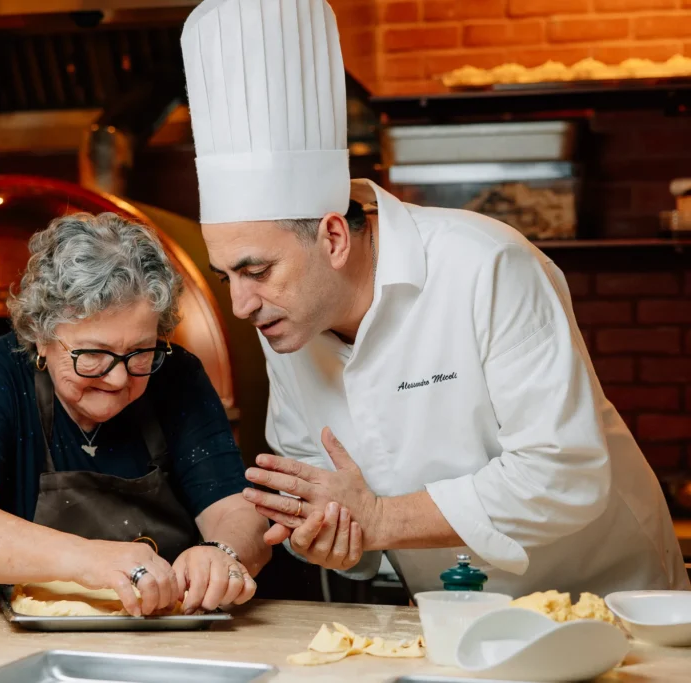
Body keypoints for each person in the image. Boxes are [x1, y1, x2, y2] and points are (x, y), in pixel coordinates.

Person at [180, 0, 689, 597]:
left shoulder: (486, 264)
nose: (241, 304)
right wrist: (328, 536)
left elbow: (563, 472)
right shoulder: (287, 319)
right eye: (226, 278)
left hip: (605, 600)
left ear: (334, 237)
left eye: (256, 270)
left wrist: (380, 520)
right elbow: (318, 487)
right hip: (450, 613)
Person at [0, 212, 270, 617]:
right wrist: (95, 561)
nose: (119, 377)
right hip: (12, 638)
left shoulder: (177, 375)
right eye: (93, 355)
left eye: (141, 352)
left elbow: (237, 513)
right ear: (40, 335)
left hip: (161, 636)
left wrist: (221, 553)